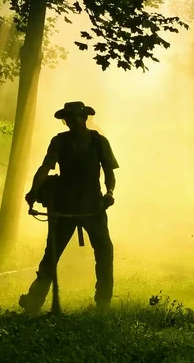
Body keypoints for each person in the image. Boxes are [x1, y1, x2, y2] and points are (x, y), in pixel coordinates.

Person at [19, 101, 119, 313]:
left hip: (93, 206)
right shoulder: (59, 142)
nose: (72, 122)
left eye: (76, 117)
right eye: (69, 118)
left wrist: (109, 193)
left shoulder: (99, 142)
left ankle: (103, 302)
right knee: (51, 255)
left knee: (104, 251)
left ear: (84, 118)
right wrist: (34, 191)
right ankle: (34, 301)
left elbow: (109, 172)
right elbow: (45, 168)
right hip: (65, 206)